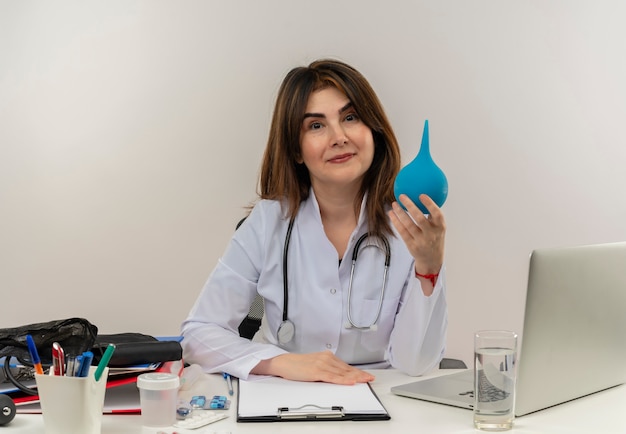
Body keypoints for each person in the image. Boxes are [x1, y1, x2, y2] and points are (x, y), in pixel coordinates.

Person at [181, 59, 447, 385]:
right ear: (295, 149)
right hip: (283, 397)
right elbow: (198, 334)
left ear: (374, 131)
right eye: (316, 126)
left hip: (379, 399)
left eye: (351, 118)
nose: (339, 137)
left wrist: (428, 268)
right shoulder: (268, 222)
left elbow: (415, 364)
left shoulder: (409, 228)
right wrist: (279, 362)